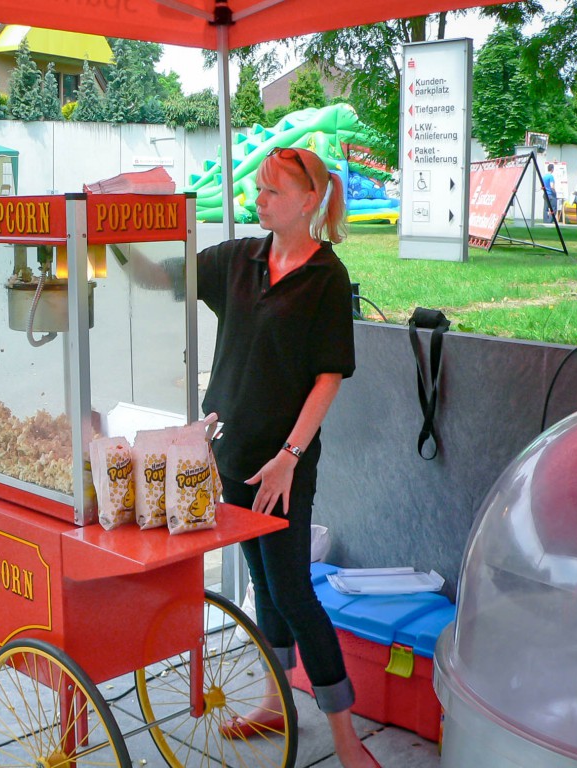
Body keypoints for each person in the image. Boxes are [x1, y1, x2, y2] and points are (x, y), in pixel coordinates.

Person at [200, 148, 377, 768]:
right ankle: (276, 703)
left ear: (308, 201)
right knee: (264, 586)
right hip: (230, 455)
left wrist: (289, 456)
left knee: (294, 592)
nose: (260, 199)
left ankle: (347, 740)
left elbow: (329, 376)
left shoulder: (326, 277)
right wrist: (114, 235)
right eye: (259, 188)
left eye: (272, 191)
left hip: (283, 465)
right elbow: (166, 272)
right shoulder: (238, 258)